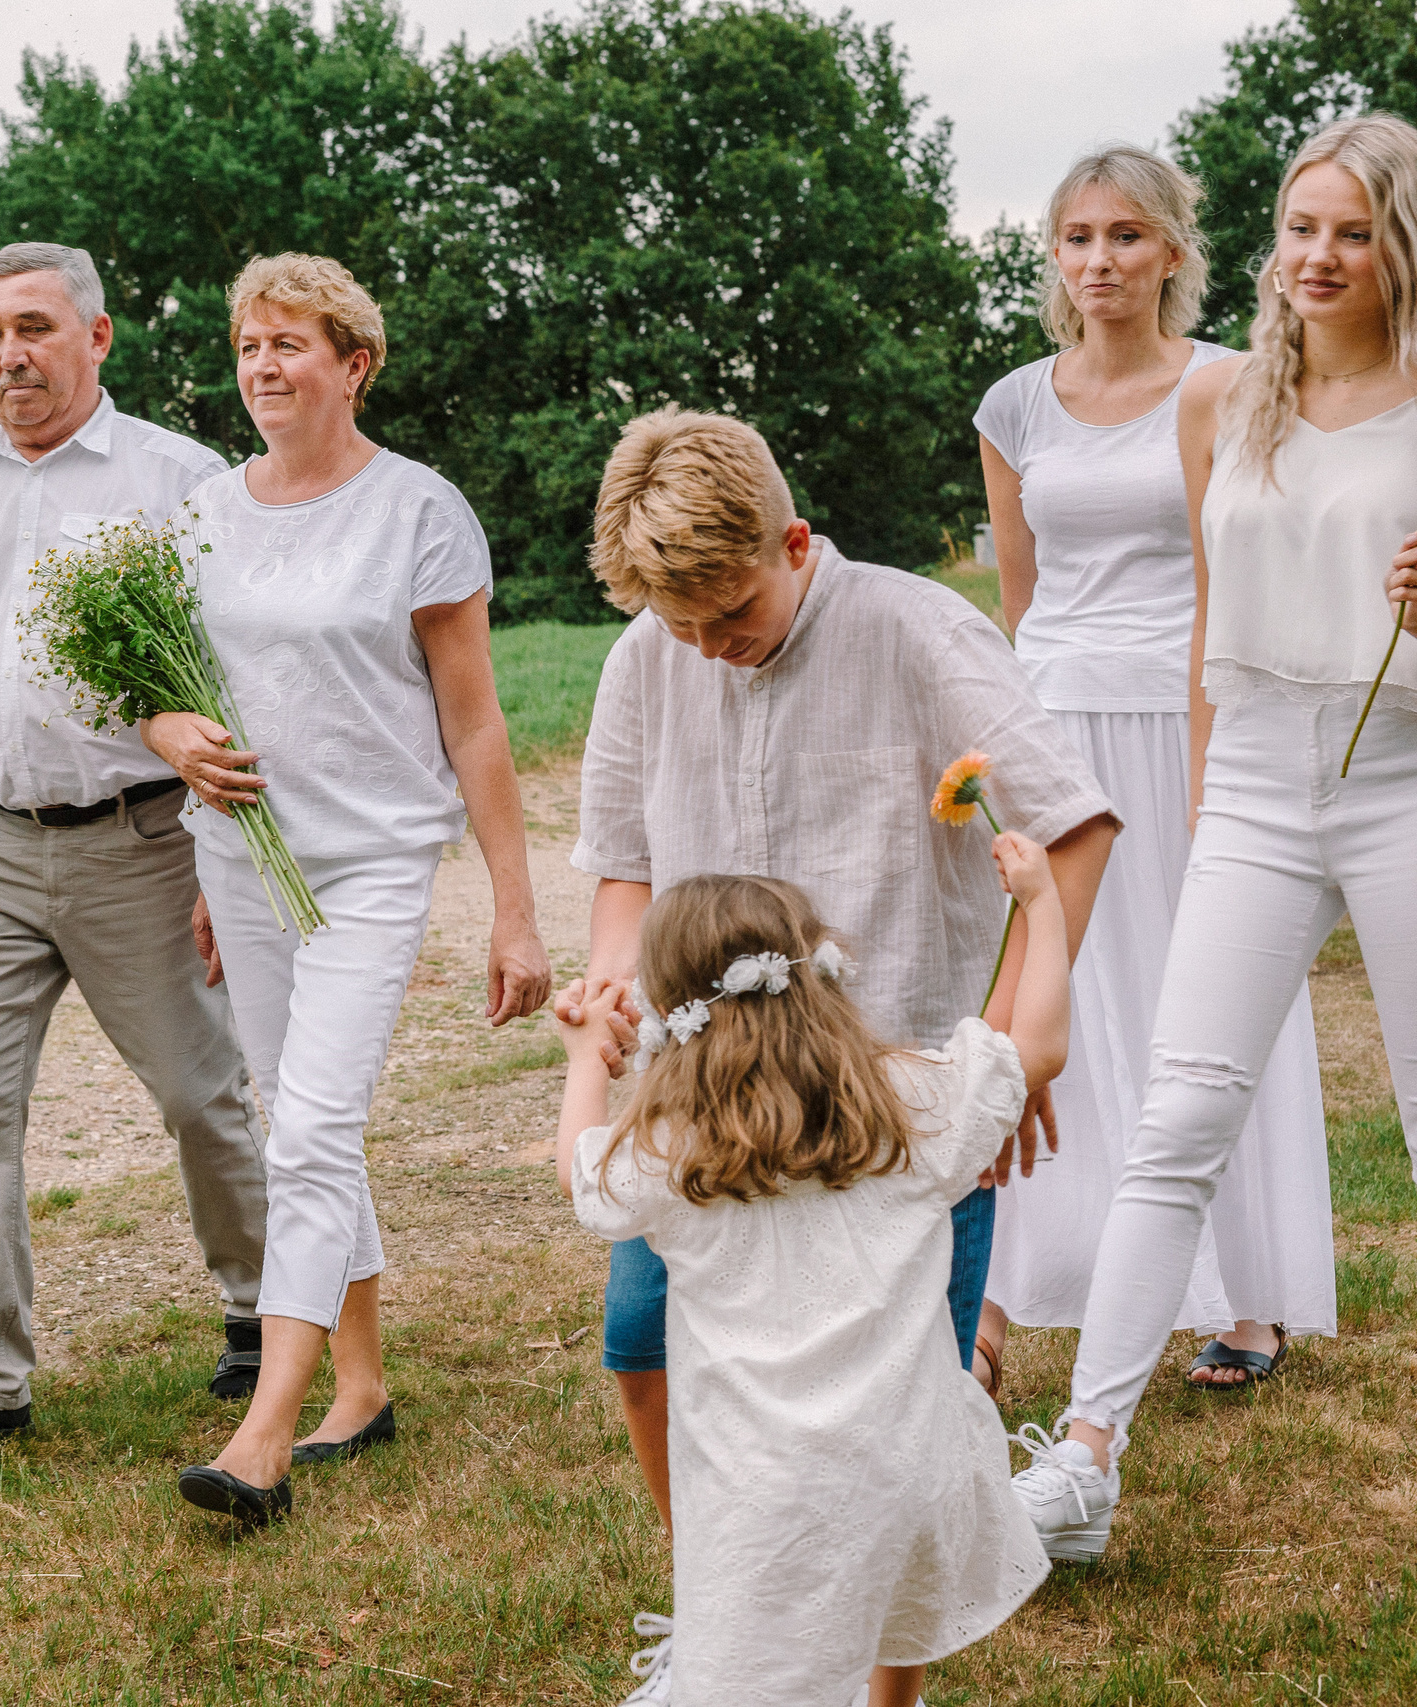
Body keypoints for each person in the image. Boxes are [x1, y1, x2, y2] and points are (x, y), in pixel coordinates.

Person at [560, 407, 1116, 1701]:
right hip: (704, 1083)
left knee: (906, 1382)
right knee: (641, 1343)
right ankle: (726, 1620)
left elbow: (1071, 826)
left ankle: (884, 1683)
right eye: (679, 625)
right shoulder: (651, 652)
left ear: (794, 542)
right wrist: (608, 990)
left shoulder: (920, 631)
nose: (706, 646)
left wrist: (1012, 1047)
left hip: (891, 1083)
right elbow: (625, 869)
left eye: (729, 615)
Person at [1014, 113, 1417, 1562]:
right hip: (1246, 775)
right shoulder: (1229, 399)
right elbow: (1200, 613)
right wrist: (1187, 794)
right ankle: (1081, 1461)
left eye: (1353, 232)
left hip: (1396, 777)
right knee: (1178, 1114)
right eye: (1302, 228)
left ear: (1401, 248)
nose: (1318, 256)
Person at [140, 253, 552, 1524]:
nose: (263, 368)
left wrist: (514, 904)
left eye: (290, 346)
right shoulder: (206, 507)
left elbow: (474, 723)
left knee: (312, 1131)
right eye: (248, 345)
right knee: (297, 1126)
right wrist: (170, 740)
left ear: (352, 363)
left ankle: (263, 1428)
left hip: (371, 864)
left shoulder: (419, 510)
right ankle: (360, 1389)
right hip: (240, 859)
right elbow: (173, 684)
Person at [0, 242, 270, 1461]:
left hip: (144, 839)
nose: (9, 357)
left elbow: (238, 684)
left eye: (33, 329)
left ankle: (264, 1311)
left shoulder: (183, 480)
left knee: (200, 1096)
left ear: (96, 339)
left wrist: (224, 859)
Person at [975, 145, 1332, 1398]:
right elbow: (1019, 605)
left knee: (1206, 1001)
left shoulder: (1229, 386)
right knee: (1038, 991)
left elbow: (1233, 579)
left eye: (1126, 237)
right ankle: (1006, 1286)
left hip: (1188, 717)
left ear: (1174, 252)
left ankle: (1247, 1296)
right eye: (1077, 239)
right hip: (1055, 727)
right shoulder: (1013, 404)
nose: (1099, 262)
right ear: (1054, 260)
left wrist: (1209, 759)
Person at [561, 866, 1060, 1707]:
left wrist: (584, 1058)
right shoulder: (904, 1101)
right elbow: (1040, 1045)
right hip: (912, 1464)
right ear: (815, 973)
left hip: (767, 1491)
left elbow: (582, 1174)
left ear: (671, 1010)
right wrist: (1041, 908)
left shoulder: (674, 1149)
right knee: (903, 1597)